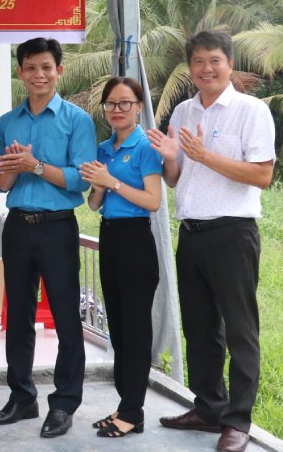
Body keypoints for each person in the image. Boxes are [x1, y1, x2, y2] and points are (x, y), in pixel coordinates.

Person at [147, 31, 275, 452]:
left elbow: (262, 175)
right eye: (198, 61)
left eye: (215, 60)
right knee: (200, 328)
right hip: (192, 233)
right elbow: (175, 179)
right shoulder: (183, 111)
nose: (206, 69)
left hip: (233, 234)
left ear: (230, 64)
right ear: (190, 68)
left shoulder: (251, 110)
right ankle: (208, 408)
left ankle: (238, 421)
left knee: (240, 330)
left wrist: (206, 156)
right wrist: (171, 158)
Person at [0, 38, 95, 438]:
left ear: (59, 71)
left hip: (57, 226)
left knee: (66, 318)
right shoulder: (6, 123)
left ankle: (64, 403)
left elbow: (79, 180)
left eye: (46, 67)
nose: (39, 75)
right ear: (20, 72)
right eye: (31, 68)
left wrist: (34, 165)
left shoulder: (77, 120)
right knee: (18, 316)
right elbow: (0, 184)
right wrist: (13, 166)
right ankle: (22, 397)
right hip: (17, 226)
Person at [79, 76, 162, 438]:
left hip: (136, 239)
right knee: (119, 327)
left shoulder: (146, 147)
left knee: (136, 329)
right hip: (110, 237)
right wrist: (99, 186)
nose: (117, 109)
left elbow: (153, 201)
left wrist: (111, 181)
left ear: (138, 107)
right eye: (111, 103)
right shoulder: (103, 148)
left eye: (125, 103)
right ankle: (125, 405)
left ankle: (133, 412)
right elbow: (94, 204)